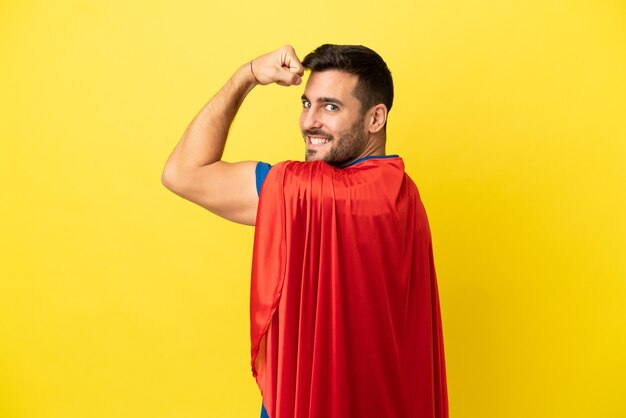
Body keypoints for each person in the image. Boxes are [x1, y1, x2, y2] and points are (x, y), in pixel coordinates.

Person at [162, 44, 448, 418]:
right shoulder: (403, 194)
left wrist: (246, 76)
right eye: (305, 104)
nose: (309, 121)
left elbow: (183, 173)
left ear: (376, 118)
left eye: (330, 107)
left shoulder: (307, 193)